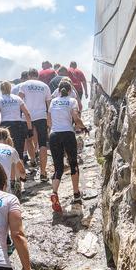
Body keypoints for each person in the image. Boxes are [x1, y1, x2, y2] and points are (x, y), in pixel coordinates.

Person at [47, 80, 89, 213]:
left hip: (54, 135)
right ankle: (76, 194)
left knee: (58, 167)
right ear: (70, 90)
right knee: (73, 164)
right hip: (68, 134)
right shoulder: (72, 101)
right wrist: (84, 127)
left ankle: (54, 192)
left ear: (58, 91)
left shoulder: (53, 102)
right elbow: (76, 119)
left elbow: (48, 121)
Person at [17, 68, 52, 182]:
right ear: (37, 75)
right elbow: (49, 104)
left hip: (27, 117)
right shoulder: (44, 86)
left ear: (28, 76)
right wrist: (49, 118)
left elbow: (19, 100)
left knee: (29, 140)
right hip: (41, 116)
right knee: (42, 144)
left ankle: (32, 160)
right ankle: (43, 172)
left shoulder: (24, 85)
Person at [0, 81, 33, 163]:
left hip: (6, 126)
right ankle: (21, 175)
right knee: (19, 151)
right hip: (19, 125)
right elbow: (27, 114)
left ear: (1, 89)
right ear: (10, 88)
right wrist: (29, 129)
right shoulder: (17, 98)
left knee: (6, 149)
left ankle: (8, 172)